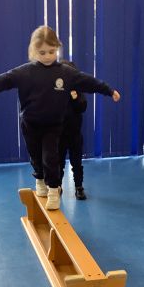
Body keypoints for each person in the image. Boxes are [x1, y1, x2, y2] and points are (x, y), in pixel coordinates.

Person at [0, 25, 120, 210]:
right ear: (34, 51)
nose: (47, 56)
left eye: (52, 51)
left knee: (50, 158)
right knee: (36, 157)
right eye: (42, 52)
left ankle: (53, 191)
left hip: (53, 125)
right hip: (30, 124)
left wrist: (109, 90)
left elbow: (89, 82)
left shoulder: (65, 73)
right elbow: (5, 80)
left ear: (57, 48)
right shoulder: (25, 72)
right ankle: (40, 180)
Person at [59, 60, 87, 200]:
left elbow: (82, 107)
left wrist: (75, 97)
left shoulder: (77, 91)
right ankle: (57, 186)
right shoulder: (56, 92)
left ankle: (79, 187)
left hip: (75, 135)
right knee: (58, 163)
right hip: (59, 135)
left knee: (77, 163)